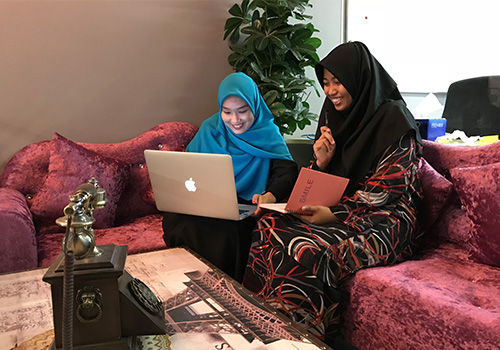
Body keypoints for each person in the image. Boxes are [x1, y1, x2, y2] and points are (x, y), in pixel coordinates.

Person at [242, 41, 424, 347]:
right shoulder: (333, 116)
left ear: (358, 78)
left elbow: (387, 191)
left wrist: (335, 214)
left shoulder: (395, 120)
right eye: (325, 83)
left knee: (311, 248)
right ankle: (263, 329)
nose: (330, 91)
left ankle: (301, 340)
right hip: (340, 207)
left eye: (337, 81)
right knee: (268, 227)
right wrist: (321, 162)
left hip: (388, 219)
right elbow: (319, 185)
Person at [162, 72, 298, 282]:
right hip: (205, 202)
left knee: (230, 232)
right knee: (177, 220)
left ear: (254, 106)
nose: (235, 120)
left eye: (242, 111)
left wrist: (270, 195)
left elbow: (287, 173)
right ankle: (188, 286)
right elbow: (187, 169)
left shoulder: (268, 134)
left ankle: (225, 293)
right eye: (227, 112)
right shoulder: (210, 129)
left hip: (244, 206)